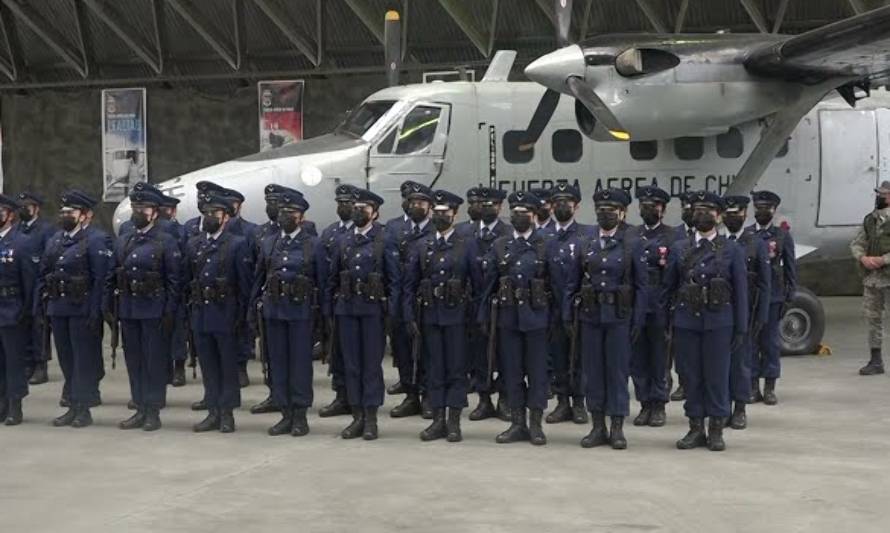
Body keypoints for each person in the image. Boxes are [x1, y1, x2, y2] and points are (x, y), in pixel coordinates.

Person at [662, 190, 748, 451]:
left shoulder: (731, 249)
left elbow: (741, 290)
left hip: (719, 323)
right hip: (687, 322)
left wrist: (741, 327)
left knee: (717, 376)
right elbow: (669, 289)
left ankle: (716, 429)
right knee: (691, 376)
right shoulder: (680, 248)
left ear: (719, 216)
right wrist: (667, 324)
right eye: (698, 210)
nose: (702, 215)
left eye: (709, 211)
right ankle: (695, 427)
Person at [564, 188, 646, 449]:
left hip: (619, 318)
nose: (605, 214)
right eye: (601, 210)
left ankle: (618, 427)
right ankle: (598, 426)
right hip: (590, 317)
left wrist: (639, 320)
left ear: (622, 213)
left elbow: (642, 286)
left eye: (611, 210)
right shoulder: (586, 243)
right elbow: (572, 282)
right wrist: (568, 314)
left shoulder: (632, 242)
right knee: (593, 373)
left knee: (617, 373)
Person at [478, 191, 560, 445]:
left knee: (537, 374)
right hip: (508, 319)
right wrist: (483, 315)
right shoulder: (501, 245)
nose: (519, 217)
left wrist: (557, 319)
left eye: (524, 213)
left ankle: (535, 424)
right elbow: (488, 284)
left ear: (534, 216)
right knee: (511, 372)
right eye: (515, 213)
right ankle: (517, 422)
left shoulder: (546, 244)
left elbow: (556, 287)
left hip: (537, 319)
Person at [403, 189, 481, 442]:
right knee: (434, 368)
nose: (439, 216)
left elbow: (478, 286)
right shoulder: (422, 245)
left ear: (454, 214)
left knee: (457, 370)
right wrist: (409, 317)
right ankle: (438, 420)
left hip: (457, 317)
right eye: (435, 213)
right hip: (429, 316)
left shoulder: (467, 244)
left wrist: (476, 318)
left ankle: (454, 421)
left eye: (445, 213)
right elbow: (410, 284)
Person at [251, 187, 327, 436]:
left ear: (301, 217)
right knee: (278, 364)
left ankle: (300, 415)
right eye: (283, 212)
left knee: (299, 366)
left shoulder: (313, 245)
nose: (285, 216)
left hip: (301, 313)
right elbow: (258, 278)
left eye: (291, 212)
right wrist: (252, 311)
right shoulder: (270, 242)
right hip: (274, 313)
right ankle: (285, 413)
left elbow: (323, 284)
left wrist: (323, 321)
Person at [326, 188, 401, 440]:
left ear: (375, 212)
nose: (359, 212)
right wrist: (329, 311)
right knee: (351, 365)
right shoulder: (343, 240)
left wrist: (393, 313)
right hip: (347, 310)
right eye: (356, 208)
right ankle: (356, 416)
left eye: (364, 209)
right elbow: (332, 278)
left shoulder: (384, 239)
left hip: (373, 313)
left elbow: (394, 281)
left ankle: (370, 418)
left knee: (370, 366)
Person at [106, 184, 181, 431]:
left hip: (154, 309)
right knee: (135, 360)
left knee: (154, 362)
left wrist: (169, 311)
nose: (138, 212)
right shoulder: (124, 240)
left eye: (143, 208)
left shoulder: (166, 241)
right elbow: (113, 274)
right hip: (129, 309)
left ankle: (153, 410)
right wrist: (110, 306)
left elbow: (173, 280)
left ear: (155, 212)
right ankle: (139, 406)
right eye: (135, 208)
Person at [38, 190, 111, 428]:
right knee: (67, 359)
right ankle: (71, 404)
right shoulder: (56, 239)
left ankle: (83, 408)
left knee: (83, 360)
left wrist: (97, 310)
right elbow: (45, 271)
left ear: (85, 215)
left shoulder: (96, 239)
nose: (65, 215)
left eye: (71, 212)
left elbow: (101, 279)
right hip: (59, 307)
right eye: (63, 212)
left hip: (82, 308)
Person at [183, 192, 253, 433]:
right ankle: (212, 410)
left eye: (215, 214)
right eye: (206, 214)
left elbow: (244, 285)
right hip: (202, 312)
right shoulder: (194, 244)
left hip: (226, 313)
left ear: (225, 218)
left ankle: (227, 413)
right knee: (209, 365)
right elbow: (188, 279)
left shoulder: (237, 244)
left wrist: (243, 318)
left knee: (227, 365)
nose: (210, 218)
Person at [539, 183, 592, 425]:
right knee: (557, 355)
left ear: (576, 206)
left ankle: (579, 402)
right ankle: (562, 401)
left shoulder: (586, 235)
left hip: (580, 309)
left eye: (567, 202)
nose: (562, 206)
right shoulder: (543, 237)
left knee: (579, 356)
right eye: (557, 202)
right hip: (552, 308)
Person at [722, 195, 770, 429]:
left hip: (746, 312)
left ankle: (739, 408)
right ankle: (721, 407)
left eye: (737, 213)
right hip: (719, 311)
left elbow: (764, 282)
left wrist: (761, 315)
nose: (733, 218)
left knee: (741, 363)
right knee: (719, 364)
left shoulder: (756, 243)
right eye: (729, 214)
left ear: (745, 214)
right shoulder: (717, 242)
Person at [465, 186, 512, 422]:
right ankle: (484, 400)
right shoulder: (465, 233)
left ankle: (504, 399)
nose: (486, 208)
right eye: (482, 205)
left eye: (491, 205)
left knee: (504, 354)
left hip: (501, 305)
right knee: (479, 355)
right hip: (474, 305)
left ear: (499, 207)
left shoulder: (509, 233)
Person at [388, 182, 435, 419]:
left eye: (421, 203)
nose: (416, 206)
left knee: (427, 350)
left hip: (427, 301)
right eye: (413, 202)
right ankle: (410, 395)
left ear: (430, 207)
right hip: (399, 298)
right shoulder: (394, 228)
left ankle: (428, 395)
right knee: (403, 349)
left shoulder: (437, 229)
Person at [629, 186, 674, 428]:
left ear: (663, 209)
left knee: (659, 357)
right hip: (637, 306)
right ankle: (644, 402)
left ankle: (658, 404)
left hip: (660, 305)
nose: (648, 210)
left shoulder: (672, 236)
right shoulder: (631, 235)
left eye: (653, 206)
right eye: (644, 205)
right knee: (638, 358)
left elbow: (674, 274)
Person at [748, 190, 796, 405]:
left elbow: (790, 269)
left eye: (766, 208)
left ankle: (769, 387)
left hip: (773, 297)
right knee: (750, 343)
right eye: (758, 208)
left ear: (774, 211)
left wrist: (789, 296)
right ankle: (751, 386)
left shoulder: (781, 236)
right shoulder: (746, 234)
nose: (762, 212)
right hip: (750, 297)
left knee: (769, 343)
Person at [317, 184, 358, 418]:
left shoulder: (372, 233)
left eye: (349, 203)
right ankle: (341, 396)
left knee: (356, 355)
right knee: (337, 352)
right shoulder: (330, 232)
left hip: (357, 301)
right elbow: (323, 271)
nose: (344, 207)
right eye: (340, 203)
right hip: (335, 301)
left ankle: (356, 398)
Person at [0, 194, 37, 425]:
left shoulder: (21, 242)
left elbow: (30, 282)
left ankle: (15, 405)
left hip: (12, 310)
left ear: (10, 215)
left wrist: (27, 312)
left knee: (14, 361)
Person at [16, 192, 56, 386]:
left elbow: (50, 257)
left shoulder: (45, 230)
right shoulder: (17, 229)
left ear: (36, 209)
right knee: (23, 324)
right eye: (21, 206)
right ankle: (27, 363)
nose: (23, 209)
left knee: (39, 325)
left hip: (38, 283)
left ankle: (41, 365)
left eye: (27, 206)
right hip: (20, 284)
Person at [851, 181, 890, 375]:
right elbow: (858, 242)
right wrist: (863, 258)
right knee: (873, 319)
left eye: (883, 194)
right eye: (879, 194)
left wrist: (882, 260)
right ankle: (876, 361)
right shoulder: (870, 220)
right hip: (873, 279)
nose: (879, 197)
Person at [670, 191, 696, 401]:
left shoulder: (715, 236)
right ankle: (682, 383)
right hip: (681, 301)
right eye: (684, 207)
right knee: (680, 349)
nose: (688, 211)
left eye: (691, 207)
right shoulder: (674, 235)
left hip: (704, 302)